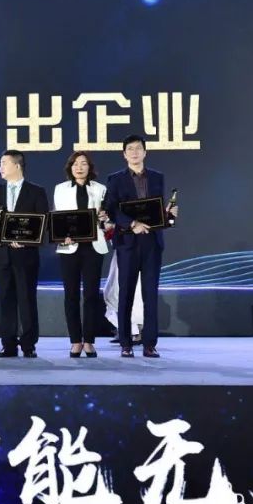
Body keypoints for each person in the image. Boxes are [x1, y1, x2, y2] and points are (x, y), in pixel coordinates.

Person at [103, 134, 176, 358]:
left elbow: (156, 209)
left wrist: (168, 215)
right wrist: (132, 224)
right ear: (124, 154)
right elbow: (111, 209)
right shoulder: (115, 179)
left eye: (138, 148)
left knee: (150, 295)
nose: (134, 152)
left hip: (152, 242)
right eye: (130, 149)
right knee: (125, 293)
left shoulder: (157, 177)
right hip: (127, 242)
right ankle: (125, 343)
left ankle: (150, 344)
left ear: (145, 152)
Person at [0, 150, 50, 358]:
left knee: (27, 300)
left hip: (26, 254)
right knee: (5, 300)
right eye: (0, 163)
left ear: (17, 165)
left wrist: (26, 240)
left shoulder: (36, 191)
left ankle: (29, 344)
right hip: (2, 255)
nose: (0, 167)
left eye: (4, 163)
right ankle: (8, 345)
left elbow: (43, 222)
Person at [53, 151, 109, 357]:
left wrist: (105, 218)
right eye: (75, 163)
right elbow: (57, 218)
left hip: (94, 246)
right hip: (70, 247)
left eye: (83, 163)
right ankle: (75, 340)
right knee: (71, 295)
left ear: (89, 167)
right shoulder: (60, 189)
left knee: (91, 295)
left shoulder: (100, 189)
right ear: (70, 167)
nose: (79, 167)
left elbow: (107, 221)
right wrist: (62, 236)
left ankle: (89, 341)